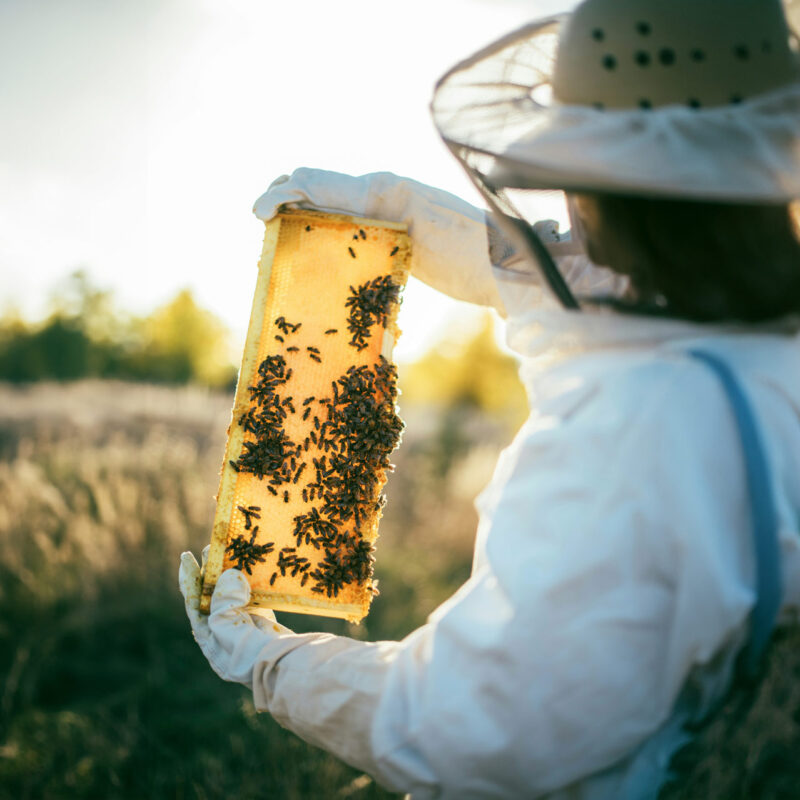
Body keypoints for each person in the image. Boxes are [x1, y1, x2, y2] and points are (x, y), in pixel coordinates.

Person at [179, 0, 800, 796]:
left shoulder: (636, 430)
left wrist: (269, 662)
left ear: (606, 186)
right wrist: (411, 216)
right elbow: (599, 293)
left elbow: (466, 731)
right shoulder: (763, 358)